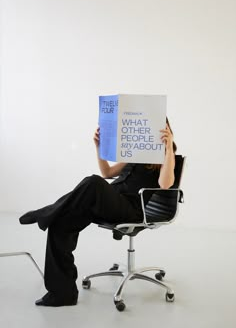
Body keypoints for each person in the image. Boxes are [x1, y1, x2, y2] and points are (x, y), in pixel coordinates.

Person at [19, 118, 177, 307]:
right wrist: (99, 147)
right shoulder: (136, 151)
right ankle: (62, 293)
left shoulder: (165, 156)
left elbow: (166, 184)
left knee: (92, 182)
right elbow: (107, 173)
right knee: (60, 222)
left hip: (131, 211)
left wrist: (168, 149)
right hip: (111, 203)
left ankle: (46, 211)